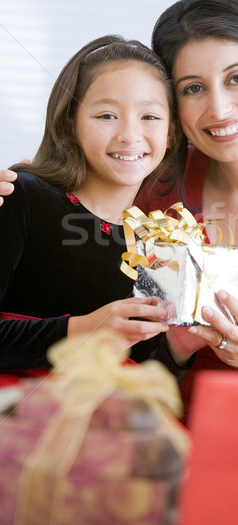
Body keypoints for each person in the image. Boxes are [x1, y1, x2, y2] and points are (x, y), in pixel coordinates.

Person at [0, 0, 238, 421]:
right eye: (193, 87)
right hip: (141, 449)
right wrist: (26, 179)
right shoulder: (150, 188)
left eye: (237, 77)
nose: (218, 107)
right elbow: (70, 200)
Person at [0, 34, 182, 373]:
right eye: (107, 115)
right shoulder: (20, 196)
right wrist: (84, 329)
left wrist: (181, 349)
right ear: (71, 124)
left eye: (151, 117)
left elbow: (145, 371)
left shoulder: (158, 244)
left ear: (171, 133)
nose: (130, 135)